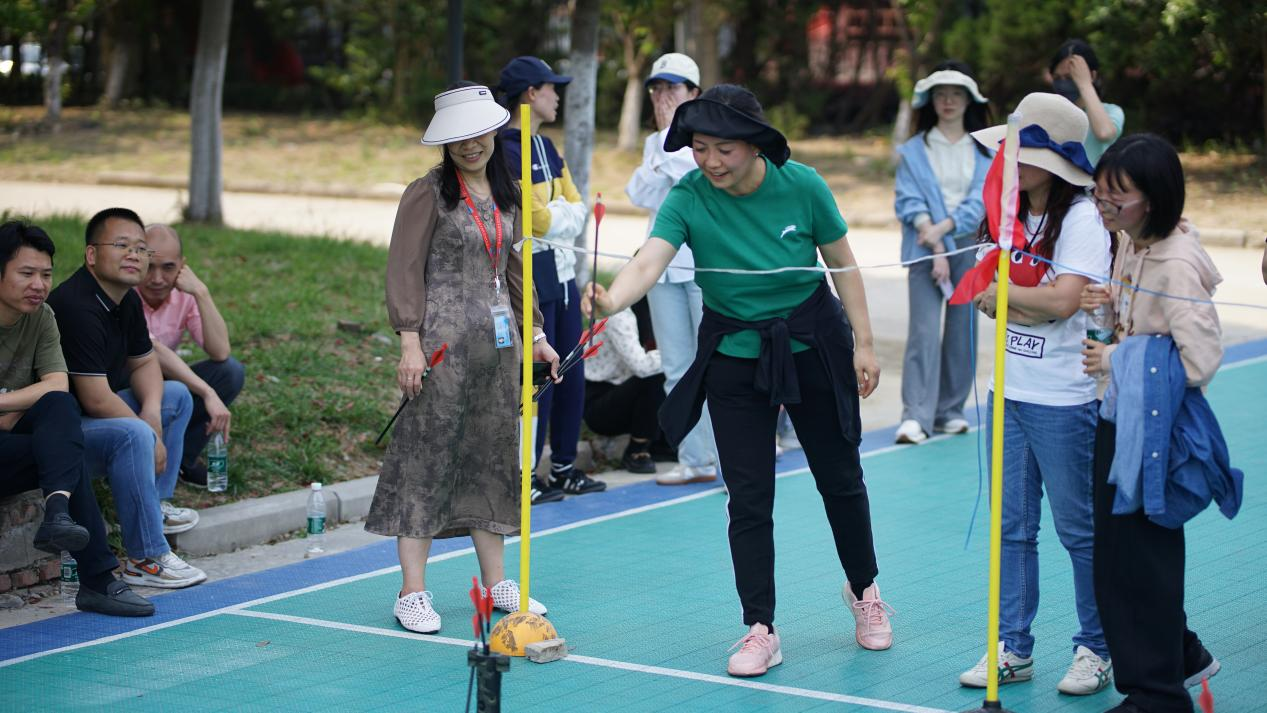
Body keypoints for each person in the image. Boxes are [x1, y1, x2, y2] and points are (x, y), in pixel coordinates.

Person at [583, 84, 893, 678]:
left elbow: (844, 264)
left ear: (754, 146)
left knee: (841, 479)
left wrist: (866, 344)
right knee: (748, 495)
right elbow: (651, 258)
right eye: (700, 148)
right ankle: (760, 627)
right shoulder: (689, 195)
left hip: (812, 344)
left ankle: (866, 592)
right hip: (733, 350)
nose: (711, 161)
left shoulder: (803, 185)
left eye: (724, 148)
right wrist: (612, 298)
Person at [366, 83, 560, 635]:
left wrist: (538, 335)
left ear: (496, 130)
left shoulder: (511, 192)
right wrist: (409, 341)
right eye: (457, 139)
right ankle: (412, 591)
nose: (470, 145)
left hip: (498, 353)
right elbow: (403, 269)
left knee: (493, 457)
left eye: (478, 133)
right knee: (426, 459)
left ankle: (497, 581)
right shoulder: (426, 194)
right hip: (441, 350)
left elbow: (517, 275)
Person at [958, 93, 1113, 695]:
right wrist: (1015, 298)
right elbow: (980, 291)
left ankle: (1095, 648)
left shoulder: (1081, 220)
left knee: (1080, 530)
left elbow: (1065, 299)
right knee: (1013, 528)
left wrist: (1010, 297)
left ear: (1056, 162)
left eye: (1026, 149)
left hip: (1066, 398)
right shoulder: (1004, 212)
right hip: (1008, 394)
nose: (1011, 157)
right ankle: (1013, 648)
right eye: (1010, 146)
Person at [1080, 134, 1233, 713]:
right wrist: (1109, 303)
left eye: (1118, 195)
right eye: (1100, 191)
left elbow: (1200, 360)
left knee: (1143, 559)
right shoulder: (1131, 243)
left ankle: (1159, 695)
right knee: (1119, 557)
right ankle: (1180, 657)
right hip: (1119, 418)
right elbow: (1140, 324)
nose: (1104, 203)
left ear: (1156, 197)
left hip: (1153, 430)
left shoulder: (1174, 261)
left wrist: (1119, 357)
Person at [0, 219, 154, 616]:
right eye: (27, 273)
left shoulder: (42, 317)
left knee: (60, 421)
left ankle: (59, 517)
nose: (39, 284)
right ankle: (100, 578)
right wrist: (16, 405)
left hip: (12, 441)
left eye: (46, 274)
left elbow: (57, 386)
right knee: (61, 445)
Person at [46, 207, 206, 589]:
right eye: (121, 245)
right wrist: (148, 433)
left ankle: (156, 504)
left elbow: (145, 362)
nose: (134, 255)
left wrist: (151, 413)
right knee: (133, 436)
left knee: (175, 396)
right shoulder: (77, 305)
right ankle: (146, 557)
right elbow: (96, 399)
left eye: (140, 247)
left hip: (97, 417)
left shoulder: (125, 298)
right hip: (63, 434)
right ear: (91, 255)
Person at [497, 56, 604, 502]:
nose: (557, 96)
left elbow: (576, 207)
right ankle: (525, 475)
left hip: (562, 268)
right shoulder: (505, 148)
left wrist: (559, 214)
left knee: (571, 370)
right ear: (529, 94)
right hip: (534, 267)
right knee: (538, 372)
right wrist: (560, 214)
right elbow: (535, 220)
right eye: (550, 88)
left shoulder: (548, 147)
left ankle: (563, 467)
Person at [625, 52, 720, 485]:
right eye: (658, 89)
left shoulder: (710, 140)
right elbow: (640, 192)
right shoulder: (654, 142)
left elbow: (690, 176)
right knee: (679, 366)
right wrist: (662, 145)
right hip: (662, 270)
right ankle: (696, 458)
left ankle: (737, 454)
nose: (663, 97)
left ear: (694, 94)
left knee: (719, 363)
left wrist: (667, 141)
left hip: (704, 268)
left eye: (673, 89)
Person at [892, 60, 992, 444]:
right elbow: (907, 199)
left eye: (956, 95)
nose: (948, 101)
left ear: (969, 101)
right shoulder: (913, 149)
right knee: (922, 331)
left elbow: (980, 201)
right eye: (940, 95)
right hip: (922, 247)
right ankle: (915, 415)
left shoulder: (984, 150)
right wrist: (932, 240)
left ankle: (949, 410)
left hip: (967, 246)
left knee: (962, 330)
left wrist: (945, 230)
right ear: (930, 101)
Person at [136, 224, 244, 489]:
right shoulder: (125, 293)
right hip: (128, 386)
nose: (158, 278)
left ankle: (182, 458)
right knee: (176, 388)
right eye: (149, 266)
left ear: (183, 266)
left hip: (165, 383)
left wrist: (201, 292)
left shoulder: (184, 295)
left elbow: (220, 351)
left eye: (169, 268)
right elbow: (152, 351)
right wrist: (207, 392)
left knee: (230, 372)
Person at [582, 298, 665, 474]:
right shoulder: (619, 313)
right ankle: (637, 450)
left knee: (671, 372)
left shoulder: (653, 308)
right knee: (654, 376)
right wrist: (680, 351)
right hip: (599, 403)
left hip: (623, 390)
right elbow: (642, 367)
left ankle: (662, 445)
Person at [1049, 39, 1124, 166]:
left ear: (1092, 76)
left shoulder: (1112, 111)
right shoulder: (1049, 112)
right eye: (1057, 78)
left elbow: (1104, 133)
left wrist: (1085, 84)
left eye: (1069, 77)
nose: (1062, 83)